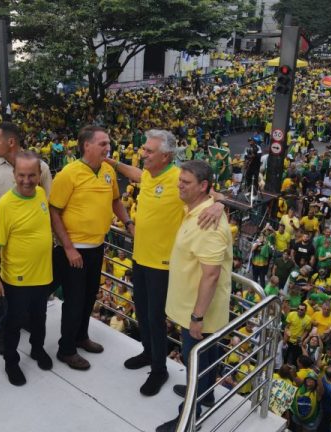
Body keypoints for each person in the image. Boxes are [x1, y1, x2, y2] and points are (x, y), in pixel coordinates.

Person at [107, 129, 224, 395]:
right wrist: (113, 163)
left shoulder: (179, 179)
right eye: (144, 149)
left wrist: (220, 205)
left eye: (149, 151)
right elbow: (136, 174)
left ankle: (159, 370)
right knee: (143, 314)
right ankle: (148, 353)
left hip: (162, 264)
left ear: (166, 155)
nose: (143, 154)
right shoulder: (149, 173)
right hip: (140, 257)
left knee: (156, 318)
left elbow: (214, 195)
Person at [157, 160, 232, 431]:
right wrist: (220, 201)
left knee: (194, 363)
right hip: (195, 308)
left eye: (186, 182)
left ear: (203, 187)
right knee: (207, 358)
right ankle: (206, 394)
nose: (180, 185)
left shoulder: (207, 222)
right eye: (180, 180)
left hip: (198, 312)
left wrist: (197, 316)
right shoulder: (202, 207)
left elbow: (210, 275)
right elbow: (221, 195)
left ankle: (187, 418)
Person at [49, 125, 131, 371]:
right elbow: (54, 211)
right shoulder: (69, 173)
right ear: (86, 145)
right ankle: (66, 350)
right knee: (74, 301)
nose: (108, 148)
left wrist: (127, 221)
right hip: (74, 250)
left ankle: (81, 336)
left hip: (97, 246)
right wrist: (68, 247)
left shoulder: (107, 171)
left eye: (108, 143)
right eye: (103, 144)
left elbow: (115, 200)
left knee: (88, 298)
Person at [0, 122, 52, 354]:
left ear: (11, 142)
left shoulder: (41, 168)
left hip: (27, 244)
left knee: (26, 295)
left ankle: (23, 324)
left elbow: (47, 202)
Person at [0, 151, 54, 386]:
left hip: (43, 275)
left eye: (32, 175)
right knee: (14, 323)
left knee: (40, 318)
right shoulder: (5, 204)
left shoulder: (40, 195)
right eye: (22, 175)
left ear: (39, 175)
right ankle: (11, 361)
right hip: (17, 279)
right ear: (14, 174)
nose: (27, 180)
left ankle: (37, 349)